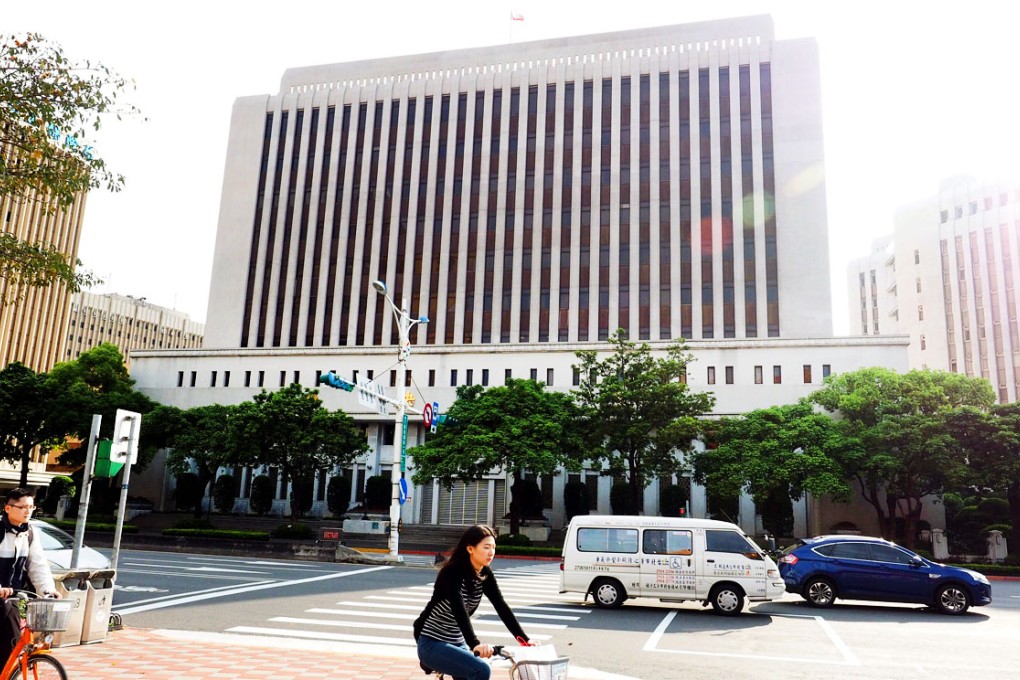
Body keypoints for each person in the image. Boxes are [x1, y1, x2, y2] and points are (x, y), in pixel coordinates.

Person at [413, 524, 530, 680]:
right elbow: (458, 607)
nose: (491, 552)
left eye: (494, 547)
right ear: (470, 549)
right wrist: (474, 643)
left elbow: (500, 606)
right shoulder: (452, 571)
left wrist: (524, 639)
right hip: (432, 643)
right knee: (481, 670)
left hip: (457, 643)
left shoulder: (484, 574)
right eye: (486, 547)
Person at [0, 489, 61, 665]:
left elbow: (38, 565)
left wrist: (48, 590)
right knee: (9, 640)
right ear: (8, 508)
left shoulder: (30, 534)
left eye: (31, 507)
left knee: (12, 642)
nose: (27, 511)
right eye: (22, 507)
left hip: (9, 598)